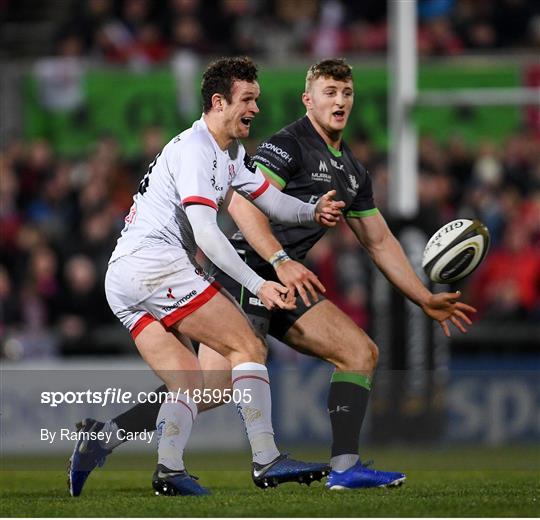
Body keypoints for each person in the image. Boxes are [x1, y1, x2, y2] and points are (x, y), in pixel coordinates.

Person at [69, 58, 476, 493]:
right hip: (242, 273)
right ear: (308, 100)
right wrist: (274, 266)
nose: (340, 101)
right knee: (227, 367)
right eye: (330, 92)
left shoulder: (348, 172)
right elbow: (238, 212)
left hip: (249, 281)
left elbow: (378, 241)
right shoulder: (285, 145)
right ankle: (265, 460)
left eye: (346, 93)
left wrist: (422, 296)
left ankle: (112, 441)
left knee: (354, 354)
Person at [68, 56, 344, 497]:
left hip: (122, 277)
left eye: (257, 98)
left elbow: (270, 200)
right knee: (248, 345)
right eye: (247, 99)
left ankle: (138, 456)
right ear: (219, 102)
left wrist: (312, 210)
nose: (255, 108)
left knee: (191, 382)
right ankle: (267, 458)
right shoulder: (196, 150)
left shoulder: (230, 153)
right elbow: (207, 235)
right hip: (156, 263)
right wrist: (259, 282)